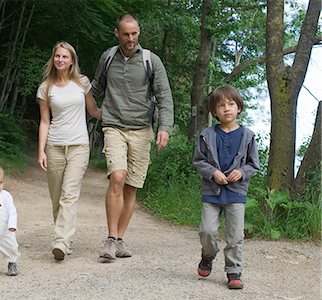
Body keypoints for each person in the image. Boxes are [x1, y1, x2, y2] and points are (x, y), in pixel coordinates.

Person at [91, 13, 174, 260]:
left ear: (139, 32)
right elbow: (95, 88)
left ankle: (119, 239)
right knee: (117, 176)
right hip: (114, 126)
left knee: (131, 187)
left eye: (134, 33)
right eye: (126, 34)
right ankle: (109, 239)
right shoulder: (107, 58)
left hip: (141, 129)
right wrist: (90, 107)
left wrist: (165, 127)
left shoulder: (151, 60)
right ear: (117, 33)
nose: (130, 38)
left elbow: (164, 97)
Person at [37, 41, 101, 261]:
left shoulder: (82, 83)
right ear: (53, 59)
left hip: (79, 146)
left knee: (69, 196)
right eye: (57, 56)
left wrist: (119, 115)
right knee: (56, 198)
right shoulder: (46, 88)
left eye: (65, 57)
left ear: (72, 60)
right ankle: (63, 237)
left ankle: (61, 242)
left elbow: (93, 111)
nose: (61, 60)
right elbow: (44, 122)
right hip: (54, 146)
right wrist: (41, 151)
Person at [192, 84, 260, 289]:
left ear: (239, 107)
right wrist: (213, 173)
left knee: (235, 236)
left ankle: (234, 270)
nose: (227, 108)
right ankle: (208, 254)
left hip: (236, 193)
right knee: (206, 231)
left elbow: (253, 164)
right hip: (211, 192)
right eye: (221, 105)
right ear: (215, 111)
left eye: (231, 104)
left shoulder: (248, 136)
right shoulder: (207, 134)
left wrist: (242, 173)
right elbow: (199, 160)